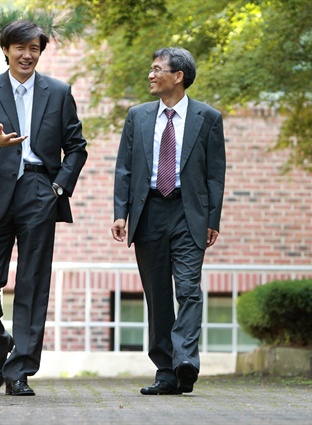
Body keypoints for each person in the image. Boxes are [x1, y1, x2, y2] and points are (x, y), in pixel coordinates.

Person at [0, 20, 87, 396]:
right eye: (20, 47)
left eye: (34, 48)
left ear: (39, 53)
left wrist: (58, 187)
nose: (27, 54)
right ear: (6, 50)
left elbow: (77, 146)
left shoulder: (59, 92)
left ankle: (20, 371)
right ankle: (0, 348)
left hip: (39, 188)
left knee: (32, 283)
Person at [111, 47, 226, 395]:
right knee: (158, 294)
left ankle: (185, 360)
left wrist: (213, 218)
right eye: (151, 68)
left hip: (188, 212)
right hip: (148, 213)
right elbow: (124, 168)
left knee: (189, 289)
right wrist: (121, 212)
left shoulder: (208, 118)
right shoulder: (138, 116)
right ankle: (166, 370)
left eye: (157, 69)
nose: (151, 74)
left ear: (178, 76)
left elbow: (215, 175)